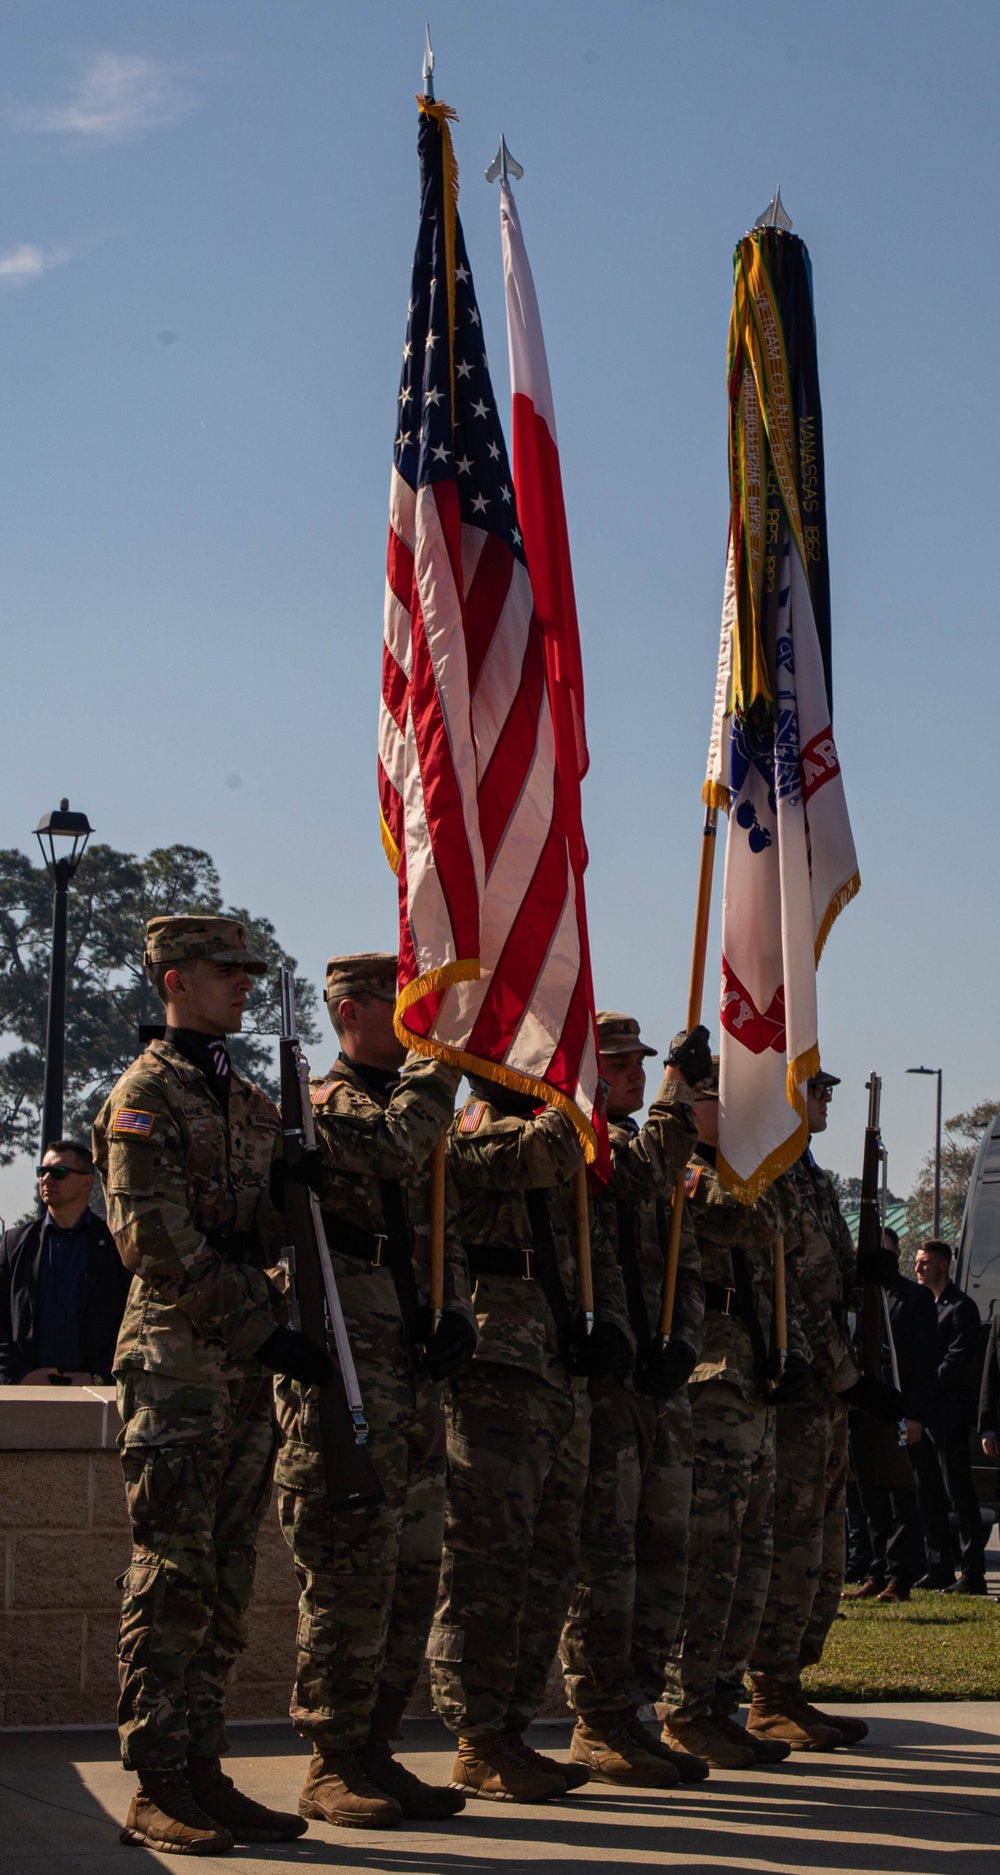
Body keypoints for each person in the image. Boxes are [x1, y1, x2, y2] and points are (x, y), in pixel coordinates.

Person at [93, 914, 328, 1856]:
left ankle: (201, 1763)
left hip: (237, 1367)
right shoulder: (144, 1094)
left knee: (228, 1577)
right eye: (225, 969)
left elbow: (268, 1230)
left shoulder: (251, 1101)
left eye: (245, 969)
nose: (242, 982)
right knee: (172, 1572)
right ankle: (154, 1780)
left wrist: (298, 1186)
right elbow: (155, 1243)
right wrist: (264, 1330)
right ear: (173, 977)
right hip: (180, 1363)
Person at [275, 952, 476, 1830]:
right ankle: (330, 1757)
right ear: (351, 1012)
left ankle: (376, 1745)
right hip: (349, 1367)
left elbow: (444, 1226)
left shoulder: (420, 1115)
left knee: (412, 1568)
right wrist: (443, 1057)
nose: (416, 1018)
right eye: (404, 1004)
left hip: (412, 1365)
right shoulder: (327, 1106)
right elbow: (399, 1145)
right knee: (350, 1570)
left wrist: (457, 1308)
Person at [429, 1069, 632, 1802]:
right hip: (497, 1366)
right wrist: (576, 1087)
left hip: (555, 1365)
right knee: (488, 1565)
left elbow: (592, 1245)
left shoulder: (564, 1134)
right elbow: (536, 1157)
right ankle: (476, 1736)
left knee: (549, 1563)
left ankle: (511, 1725)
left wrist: (602, 1321)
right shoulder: (475, 1125)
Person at [559, 1015, 710, 1788]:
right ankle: (598, 1717)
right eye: (619, 1064)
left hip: (660, 1381)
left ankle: (637, 1709)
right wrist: (683, 1093)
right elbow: (641, 1172)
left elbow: (679, 1257)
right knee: (609, 1555)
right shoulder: (589, 1142)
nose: (636, 1074)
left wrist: (684, 1336)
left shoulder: (649, 1143)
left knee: (665, 1547)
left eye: (645, 1065)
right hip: (611, 1385)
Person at [660, 1060, 810, 1771]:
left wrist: (790, 1349)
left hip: (749, 1376)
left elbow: (776, 1251)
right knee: (710, 1557)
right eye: (728, 1098)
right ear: (695, 1105)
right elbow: (744, 1222)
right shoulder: (686, 1174)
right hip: (710, 1384)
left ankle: (720, 1701)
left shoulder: (736, 1170)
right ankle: (684, 1709)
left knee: (749, 1557)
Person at [747, 1069, 899, 1753]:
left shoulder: (809, 1174)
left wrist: (867, 1268)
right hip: (802, 1388)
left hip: (824, 1393)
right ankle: (765, 1692)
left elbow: (831, 1272)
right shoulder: (775, 1172)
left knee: (823, 1545)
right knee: (792, 1539)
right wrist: (848, 1378)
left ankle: (789, 1684)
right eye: (815, 1087)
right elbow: (803, 1290)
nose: (826, 1099)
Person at [845, 1226, 937, 1603]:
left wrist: (916, 1415)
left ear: (896, 1252)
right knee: (870, 1497)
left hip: (901, 1413)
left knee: (901, 1495)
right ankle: (876, 1570)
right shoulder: (860, 1297)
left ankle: (901, 1576)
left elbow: (926, 1360)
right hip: (866, 1411)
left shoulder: (914, 1298)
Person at [0, 1140, 130, 1384]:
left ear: (86, 1182)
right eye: (42, 1171)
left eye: (59, 1172)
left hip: (95, 1395)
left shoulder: (117, 1245)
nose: (47, 1179)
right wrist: (20, 1375)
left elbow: (131, 1320)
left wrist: (98, 1377)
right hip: (27, 1393)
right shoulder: (14, 1243)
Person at [913, 1239, 986, 1594]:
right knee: (928, 1493)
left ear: (943, 1265)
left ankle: (972, 1574)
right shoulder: (926, 1306)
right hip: (924, 1415)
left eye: (924, 1262)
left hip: (949, 1415)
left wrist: (922, 1391)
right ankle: (938, 1566)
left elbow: (955, 1363)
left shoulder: (961, 1308)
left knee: (958, 1493)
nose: (918, 1268)